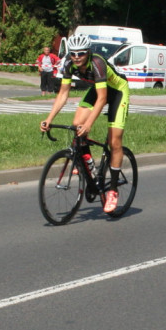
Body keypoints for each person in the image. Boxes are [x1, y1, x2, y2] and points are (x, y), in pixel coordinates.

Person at [39, 34, 130, 213]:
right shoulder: (68, 64)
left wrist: (89, 124)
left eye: (81, 53)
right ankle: (86, 165)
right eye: (73, 54)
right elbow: (63, 94)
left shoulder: (97, 63)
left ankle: (112, 190)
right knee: (76, 124)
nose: (77, 57)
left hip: (117, 91)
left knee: (115, 141)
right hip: (97, 90)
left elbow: (103, 98)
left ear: (88, 52)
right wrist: (49, 119)